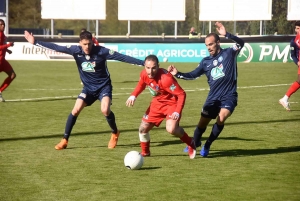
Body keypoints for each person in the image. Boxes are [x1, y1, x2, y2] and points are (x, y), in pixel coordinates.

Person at [24, 30, 144, 150]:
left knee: (105, 110)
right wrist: (35, 42)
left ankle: (115, 133)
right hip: (88, 88)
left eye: (89, 44)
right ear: (80, 43)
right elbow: (56, 47)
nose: (87, 47)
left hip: (103, 87)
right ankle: (65, 140)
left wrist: (144, 63)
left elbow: (122, 57)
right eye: (85, 44)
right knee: (75, 110)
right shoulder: (75, 50)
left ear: (92, 42)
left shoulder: (102, 51)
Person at [168, 22, 244, 157]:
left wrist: (227, 34)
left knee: (221, 118)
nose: (208, 47)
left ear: (218, 43)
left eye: (211, 44)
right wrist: (178, 73)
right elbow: (193, 75)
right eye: (207, 45)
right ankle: (194, 143)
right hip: (213, 98)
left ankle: (207, 145)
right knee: (202, 123)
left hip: (229, 96)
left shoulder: (229, 53)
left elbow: (241, 43)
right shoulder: (205, 62)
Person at [125, 55, 196, 159]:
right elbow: (141, 84)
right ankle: (145, 152)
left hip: (172, 104)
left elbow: (181, 94)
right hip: (157, 103)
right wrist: (133, 95)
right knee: (142, 129)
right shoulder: (144, 74)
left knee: (171, 129)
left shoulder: (166, 79)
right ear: (144, 66)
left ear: (158, 66)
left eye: (153, 68)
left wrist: (177, 111)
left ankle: (191, 142)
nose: (150, 71)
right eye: (148, 68)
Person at [279, 21, 300, 111]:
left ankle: (285, 99)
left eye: (298, 28)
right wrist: (297, 62)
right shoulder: (294, 41)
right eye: (296, 28)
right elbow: (293, 55)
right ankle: (285, 98)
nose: (296, 30)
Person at [0, 19, 16, 102]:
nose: (3, 26)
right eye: (1, 25)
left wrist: (7, 50)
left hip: (2, 61)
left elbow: (2, 46)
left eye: (4, 25)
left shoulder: (2, 34)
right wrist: (8, 45)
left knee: (12, 75)